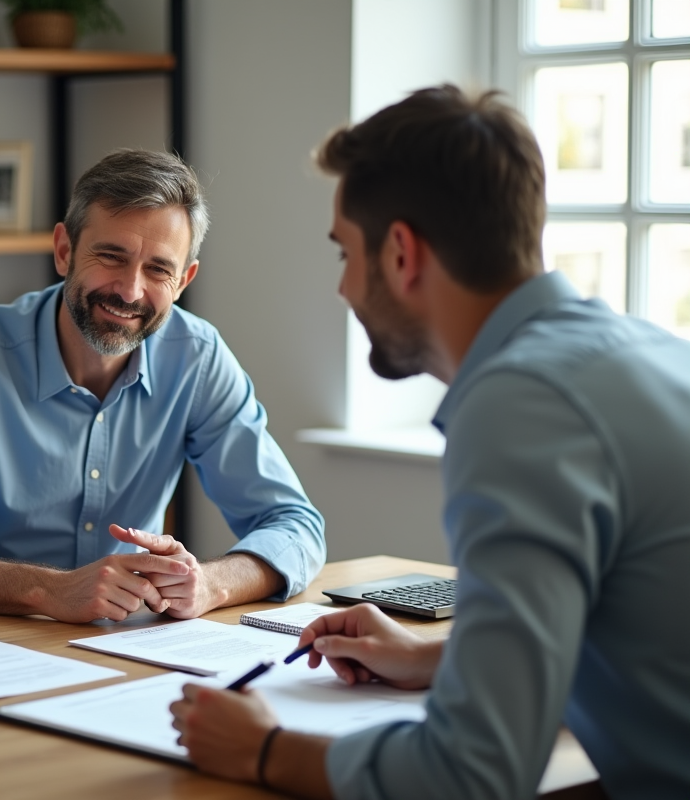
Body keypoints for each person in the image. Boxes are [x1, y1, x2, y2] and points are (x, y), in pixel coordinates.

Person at [170, 85, 690, 799]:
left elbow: (473, 771)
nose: (345, 287)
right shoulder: (646, 352)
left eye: (345, 253)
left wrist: (266, 751)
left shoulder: (521, 409)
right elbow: (627, 627)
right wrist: (437, 655)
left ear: (403, 253)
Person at [0, 148, 326, 623]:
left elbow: (295, 526)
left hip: (123, 650)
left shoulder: (197, 358)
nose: (130, 290)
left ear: (184, 281)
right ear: (64, 251)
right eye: (111, 256)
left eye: (158, 269)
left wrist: (210, 585)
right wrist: (48, 591)